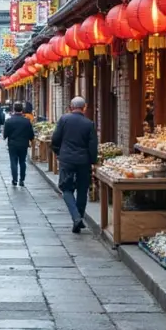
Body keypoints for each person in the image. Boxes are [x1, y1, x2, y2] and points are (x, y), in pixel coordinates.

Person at [51, 96, 98, 233]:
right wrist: (93, 160)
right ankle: (79, 217)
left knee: (66, 188)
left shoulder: (64, 120)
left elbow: (55, 139)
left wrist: (59, 152)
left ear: (71, 107)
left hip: (67, 159)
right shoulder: (89, 123)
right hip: (83, 161)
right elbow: (93, 145)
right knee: (82, 189)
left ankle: (76, 217)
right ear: (84, 107)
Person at [3, 101, 35, 187]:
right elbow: (31, 134)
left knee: (13, 162)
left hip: (12, 144)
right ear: (22, 109)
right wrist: (31, 139)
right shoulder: (27, 121)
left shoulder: (9, 121)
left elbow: (5, 134)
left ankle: (14, 179)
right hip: (23, 144)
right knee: (22, 162)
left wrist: (6, 136)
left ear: (14, 109)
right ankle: (22, 179)